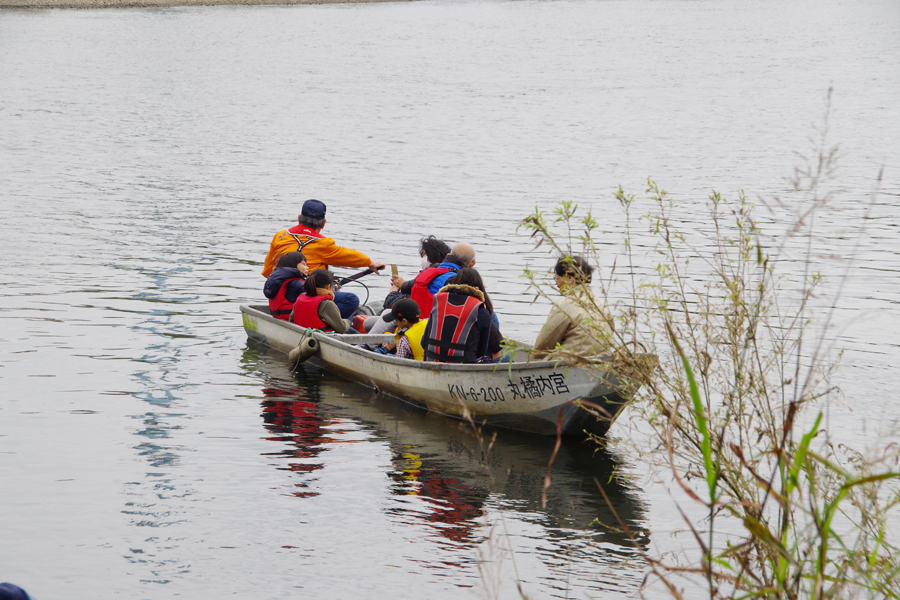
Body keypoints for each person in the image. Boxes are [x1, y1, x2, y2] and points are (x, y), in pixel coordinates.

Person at [261, 199, 386, 318]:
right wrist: (370, 263)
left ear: (299, 218)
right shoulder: (324, 244)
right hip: (308, 297)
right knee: (351, 300)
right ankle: (330, 324)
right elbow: (347, 255)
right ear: (323, 223)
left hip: (280, 297)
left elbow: (267, 271)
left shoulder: (280, 236)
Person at [532, 255, 615, 359]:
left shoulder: (564, 305)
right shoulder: (602, 305)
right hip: (599, 362)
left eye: (556, 278)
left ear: (569, 277)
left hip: (567, 363)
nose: (556, 283)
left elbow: (541, 347)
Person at [422, 268, 492, 363]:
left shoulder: (438, 302)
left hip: (431, 362)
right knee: (505, 359)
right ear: (479, 287)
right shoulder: (482, 311)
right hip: (463, 367)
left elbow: (423, 343)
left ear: (455, 282)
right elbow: (481, 352)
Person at [406, 242, 477, 317]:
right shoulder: (460, 281)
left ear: (448, 255)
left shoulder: (428, 272)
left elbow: (405, 287)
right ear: (472, 264)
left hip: (416, 322)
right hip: (436, 324)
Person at [383, 235, 451, 310]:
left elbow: (392, 304)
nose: (423, 258)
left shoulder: (429, 275)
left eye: (425, 254)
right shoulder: (450, 272)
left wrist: (393, 292)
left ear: (436, 254)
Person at [291, 269, 354, 333]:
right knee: (350, 322)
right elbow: (342, 328)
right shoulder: (327, 304)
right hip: (321, 339)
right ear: (328, 286)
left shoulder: (299, 300)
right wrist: (348, 321)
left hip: (302, 335)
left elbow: (291, 320)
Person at [263, 251, 308, 321]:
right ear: (294, 264)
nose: (307, 268)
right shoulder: (297, 283)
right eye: (304, 264)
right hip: (292, 320)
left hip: (279, 317)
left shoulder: (277, 280)